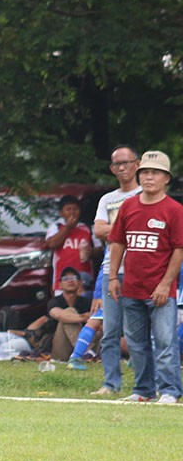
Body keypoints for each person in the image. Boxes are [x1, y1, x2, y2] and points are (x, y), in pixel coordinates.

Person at [107, 151, 183, 404]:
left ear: (166, 178)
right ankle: (143, 390)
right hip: (131, 288)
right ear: (139, 176)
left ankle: (170, 391)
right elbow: (118, 242)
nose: (149, 177)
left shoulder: (175, 210)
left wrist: (165, 284)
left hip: (160, 291)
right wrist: (113, 277)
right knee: (136, 344)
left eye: (155, 173)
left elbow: (179, 250)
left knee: (164, 342)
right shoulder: (128, 206)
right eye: (145, 172)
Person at [84, 145, 142, 393]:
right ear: (111, 168)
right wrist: (128, 228)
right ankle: (110, 383)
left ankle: (144, 385)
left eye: (126, 162)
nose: (122, 168)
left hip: (141, 271)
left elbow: (144, 229)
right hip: (112, 271)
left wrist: (115, 229)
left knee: (137, 332)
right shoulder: (107, 199)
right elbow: (98, 230)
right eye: (117, 164)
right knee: (110, 331)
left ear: (137, 164)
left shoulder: (145, 194)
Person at [45, 194, 95, 294]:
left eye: (75, 209)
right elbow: (52, 243)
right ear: (61, 212)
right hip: (62, 278)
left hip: (84, 279)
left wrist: (91, 251)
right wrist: (68, 227)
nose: (72, 212)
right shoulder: (56, 227)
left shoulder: (88, 228)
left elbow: (100, 249)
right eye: (68, 209)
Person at [44, 267, 93, 360]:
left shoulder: (87, 302)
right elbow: (57, 314)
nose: (70, 281)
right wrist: (83, 318)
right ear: (60, 284)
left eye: (74, 278)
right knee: (69, 312)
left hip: (85, 341)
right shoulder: (54, 301)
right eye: (65, 279)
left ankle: (88, 353)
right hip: (61, 348)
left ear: (80, 283)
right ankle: (85, 353)